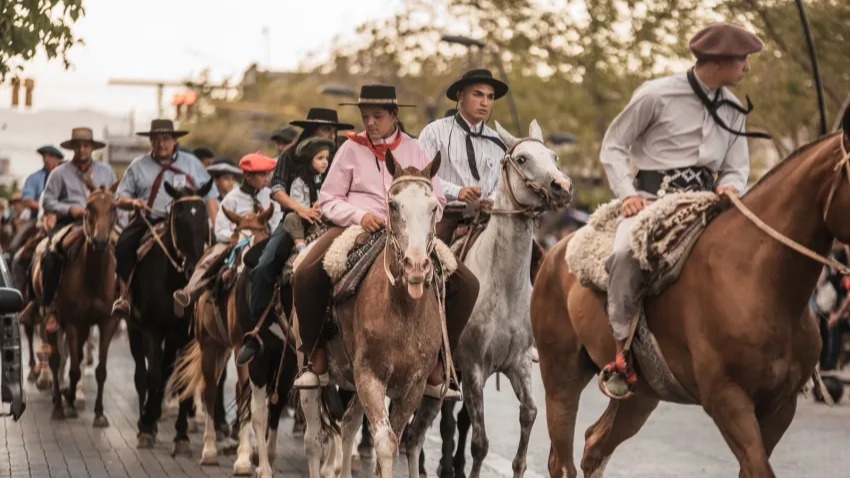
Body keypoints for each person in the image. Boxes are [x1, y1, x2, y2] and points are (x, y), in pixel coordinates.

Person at [599, 23, 765, 396]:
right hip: (653, 202)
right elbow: (613, 146)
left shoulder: (736, 108)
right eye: (743, 60)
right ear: (719, 61)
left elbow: (738, 166)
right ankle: (621, 353)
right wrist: (627, 193)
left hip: (708, 205)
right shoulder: (656, 95)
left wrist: (732, 185)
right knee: (626, 253)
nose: (747, 69)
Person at [290, 84, 479, 399]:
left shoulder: (415, 150)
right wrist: (360, 215)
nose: (370, 122)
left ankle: (440, 362)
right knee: (306, 273)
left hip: (409, 232)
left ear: (394, 115)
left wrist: (422, 221)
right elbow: (328, 199)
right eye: (365, 116)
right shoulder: (350, 149)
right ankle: (315, 357)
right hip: (357, 227)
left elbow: (439, 199)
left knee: (467, 284)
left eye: (377, 116)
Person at [238, 108, 354, 365]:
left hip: (335, 221)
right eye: (326, 130)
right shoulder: (289, 156)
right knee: (264, 264)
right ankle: (257, 331)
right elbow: (276, 189)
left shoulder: (341, 154)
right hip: (295, 222)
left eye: (333, 131)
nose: (331, 135)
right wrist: (300, 208)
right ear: (312, 131)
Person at [112, 119, 219, 317]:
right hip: (150, 220)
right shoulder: (138, 166)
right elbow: (120, 197)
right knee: (123, 245)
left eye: (166, 139)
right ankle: (125, 296)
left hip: (187, 223)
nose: (162, 143)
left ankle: (213, 297)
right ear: (151, 141)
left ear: (175, 140)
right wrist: (134, 203)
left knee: (216, 250)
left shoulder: (192, 163)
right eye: (157, 139)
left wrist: (216, 225)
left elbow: (210, 195)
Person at [173, 152, 282, 310]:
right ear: (248, 175)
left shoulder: (272, 197)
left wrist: (266, 233)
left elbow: (277, 221)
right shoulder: (231, 198)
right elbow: (220, 229)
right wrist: (235, 237)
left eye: (268, 174)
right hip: (235, 243)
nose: (267, 178)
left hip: (265, 241)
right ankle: (190, 291)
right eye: (262, 174)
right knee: (210, 258)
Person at [38, 127, 116, 329]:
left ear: (92, 148)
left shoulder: (105, 172)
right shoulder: (60, 173)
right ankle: (50, 304)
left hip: (101, 223)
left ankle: (124, 301)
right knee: (51, 252)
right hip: (70, 222)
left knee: (125, 249)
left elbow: (114, 200)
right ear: (73, 148)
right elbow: (47, 201)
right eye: (78, 145)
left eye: (86, 145)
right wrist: (70, 209)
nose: (82, 149)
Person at [283, 137, 334, 253]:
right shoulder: (299, 182)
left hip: (322, 218)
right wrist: (310, 210)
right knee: (291, 218)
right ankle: (300, 244)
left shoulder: (325, 181)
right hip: (305, 218)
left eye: (326, 158)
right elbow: (298, 205)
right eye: (320, 158)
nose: (325, 162)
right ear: (310, 160)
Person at [22, 145, 64, 216]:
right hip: (38, 216)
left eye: (50, 156)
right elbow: (28, 201)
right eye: (44, 156)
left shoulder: (66, 177)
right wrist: (44, 209)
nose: (46, 159)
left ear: (59, 159)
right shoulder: (33, 178)